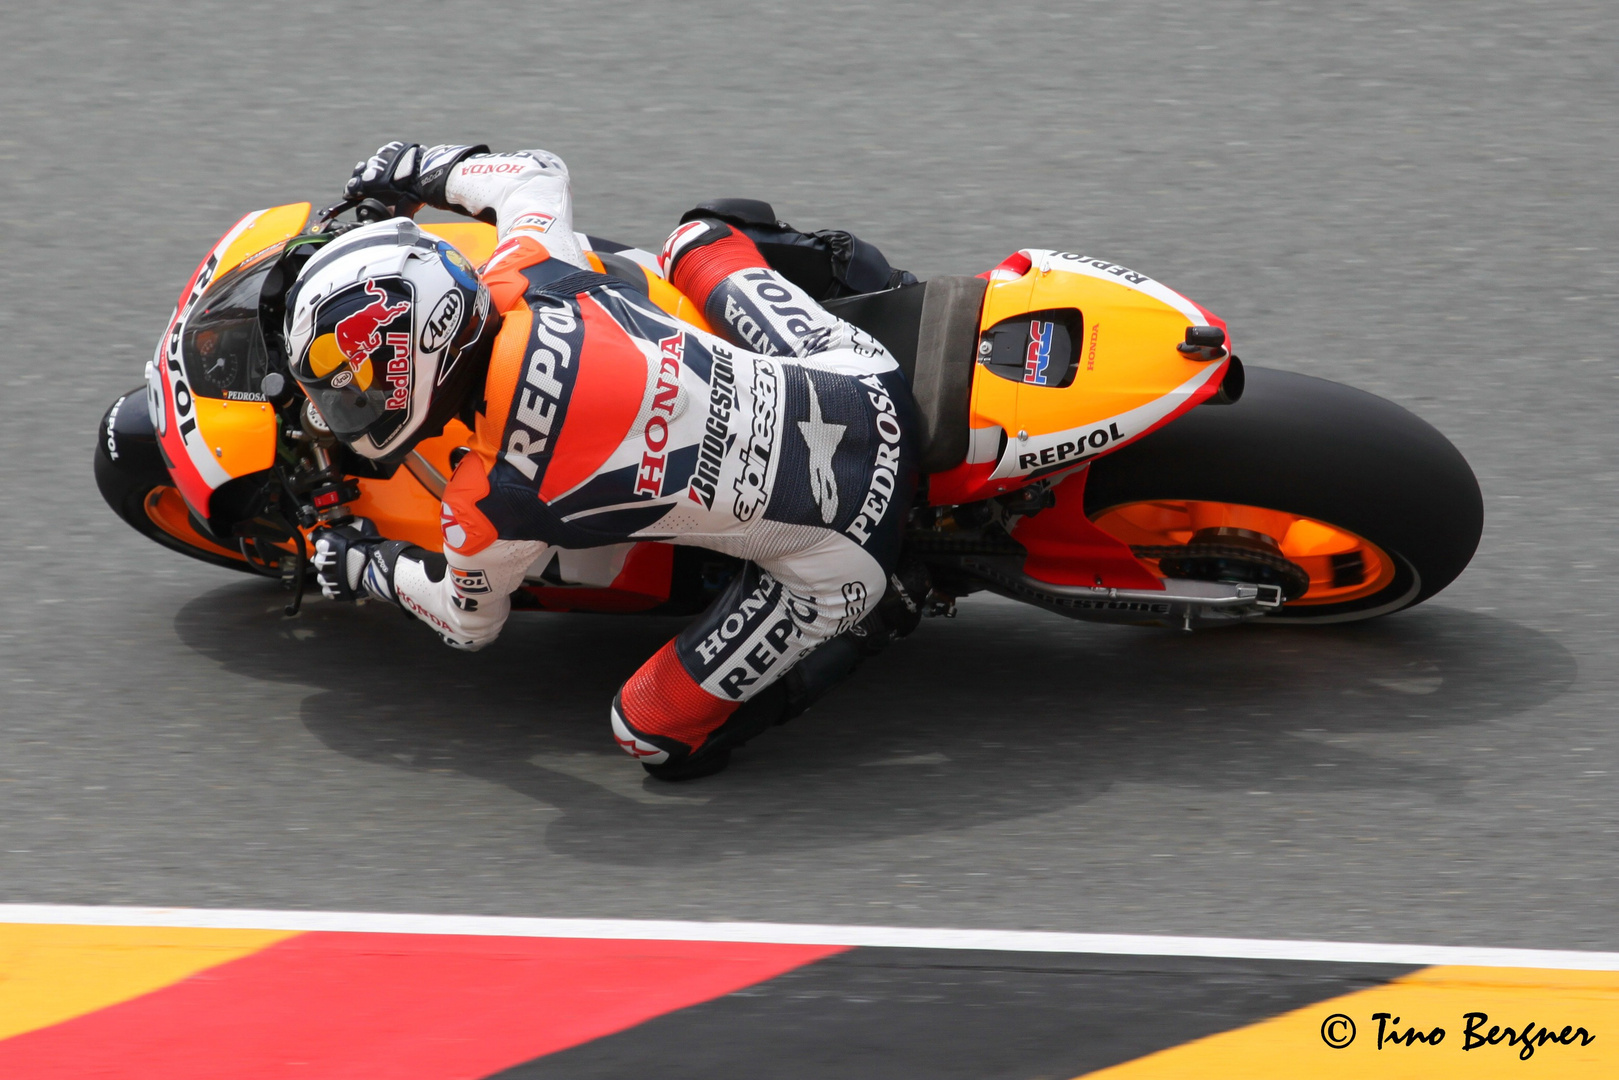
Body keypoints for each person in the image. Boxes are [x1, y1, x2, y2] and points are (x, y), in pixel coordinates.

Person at [290, 142, 920, 780]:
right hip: (865, 379)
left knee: (649, 733)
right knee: (699, 238)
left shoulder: (486, 504)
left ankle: (877, 618)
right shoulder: (533, 270)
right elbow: (533, 173)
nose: (345, 402)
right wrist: (411, 166)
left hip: (846, 554)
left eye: (355, 382)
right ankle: (896, 295)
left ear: (418, 351)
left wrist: (366, 565)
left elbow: (465, 623)